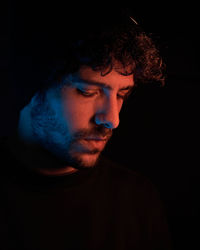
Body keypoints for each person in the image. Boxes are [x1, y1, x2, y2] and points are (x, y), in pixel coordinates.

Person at [0, 6, 172, 250]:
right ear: (29, 85)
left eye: (123, 94)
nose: (112, 119)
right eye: (87, 92)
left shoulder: (136, 200)